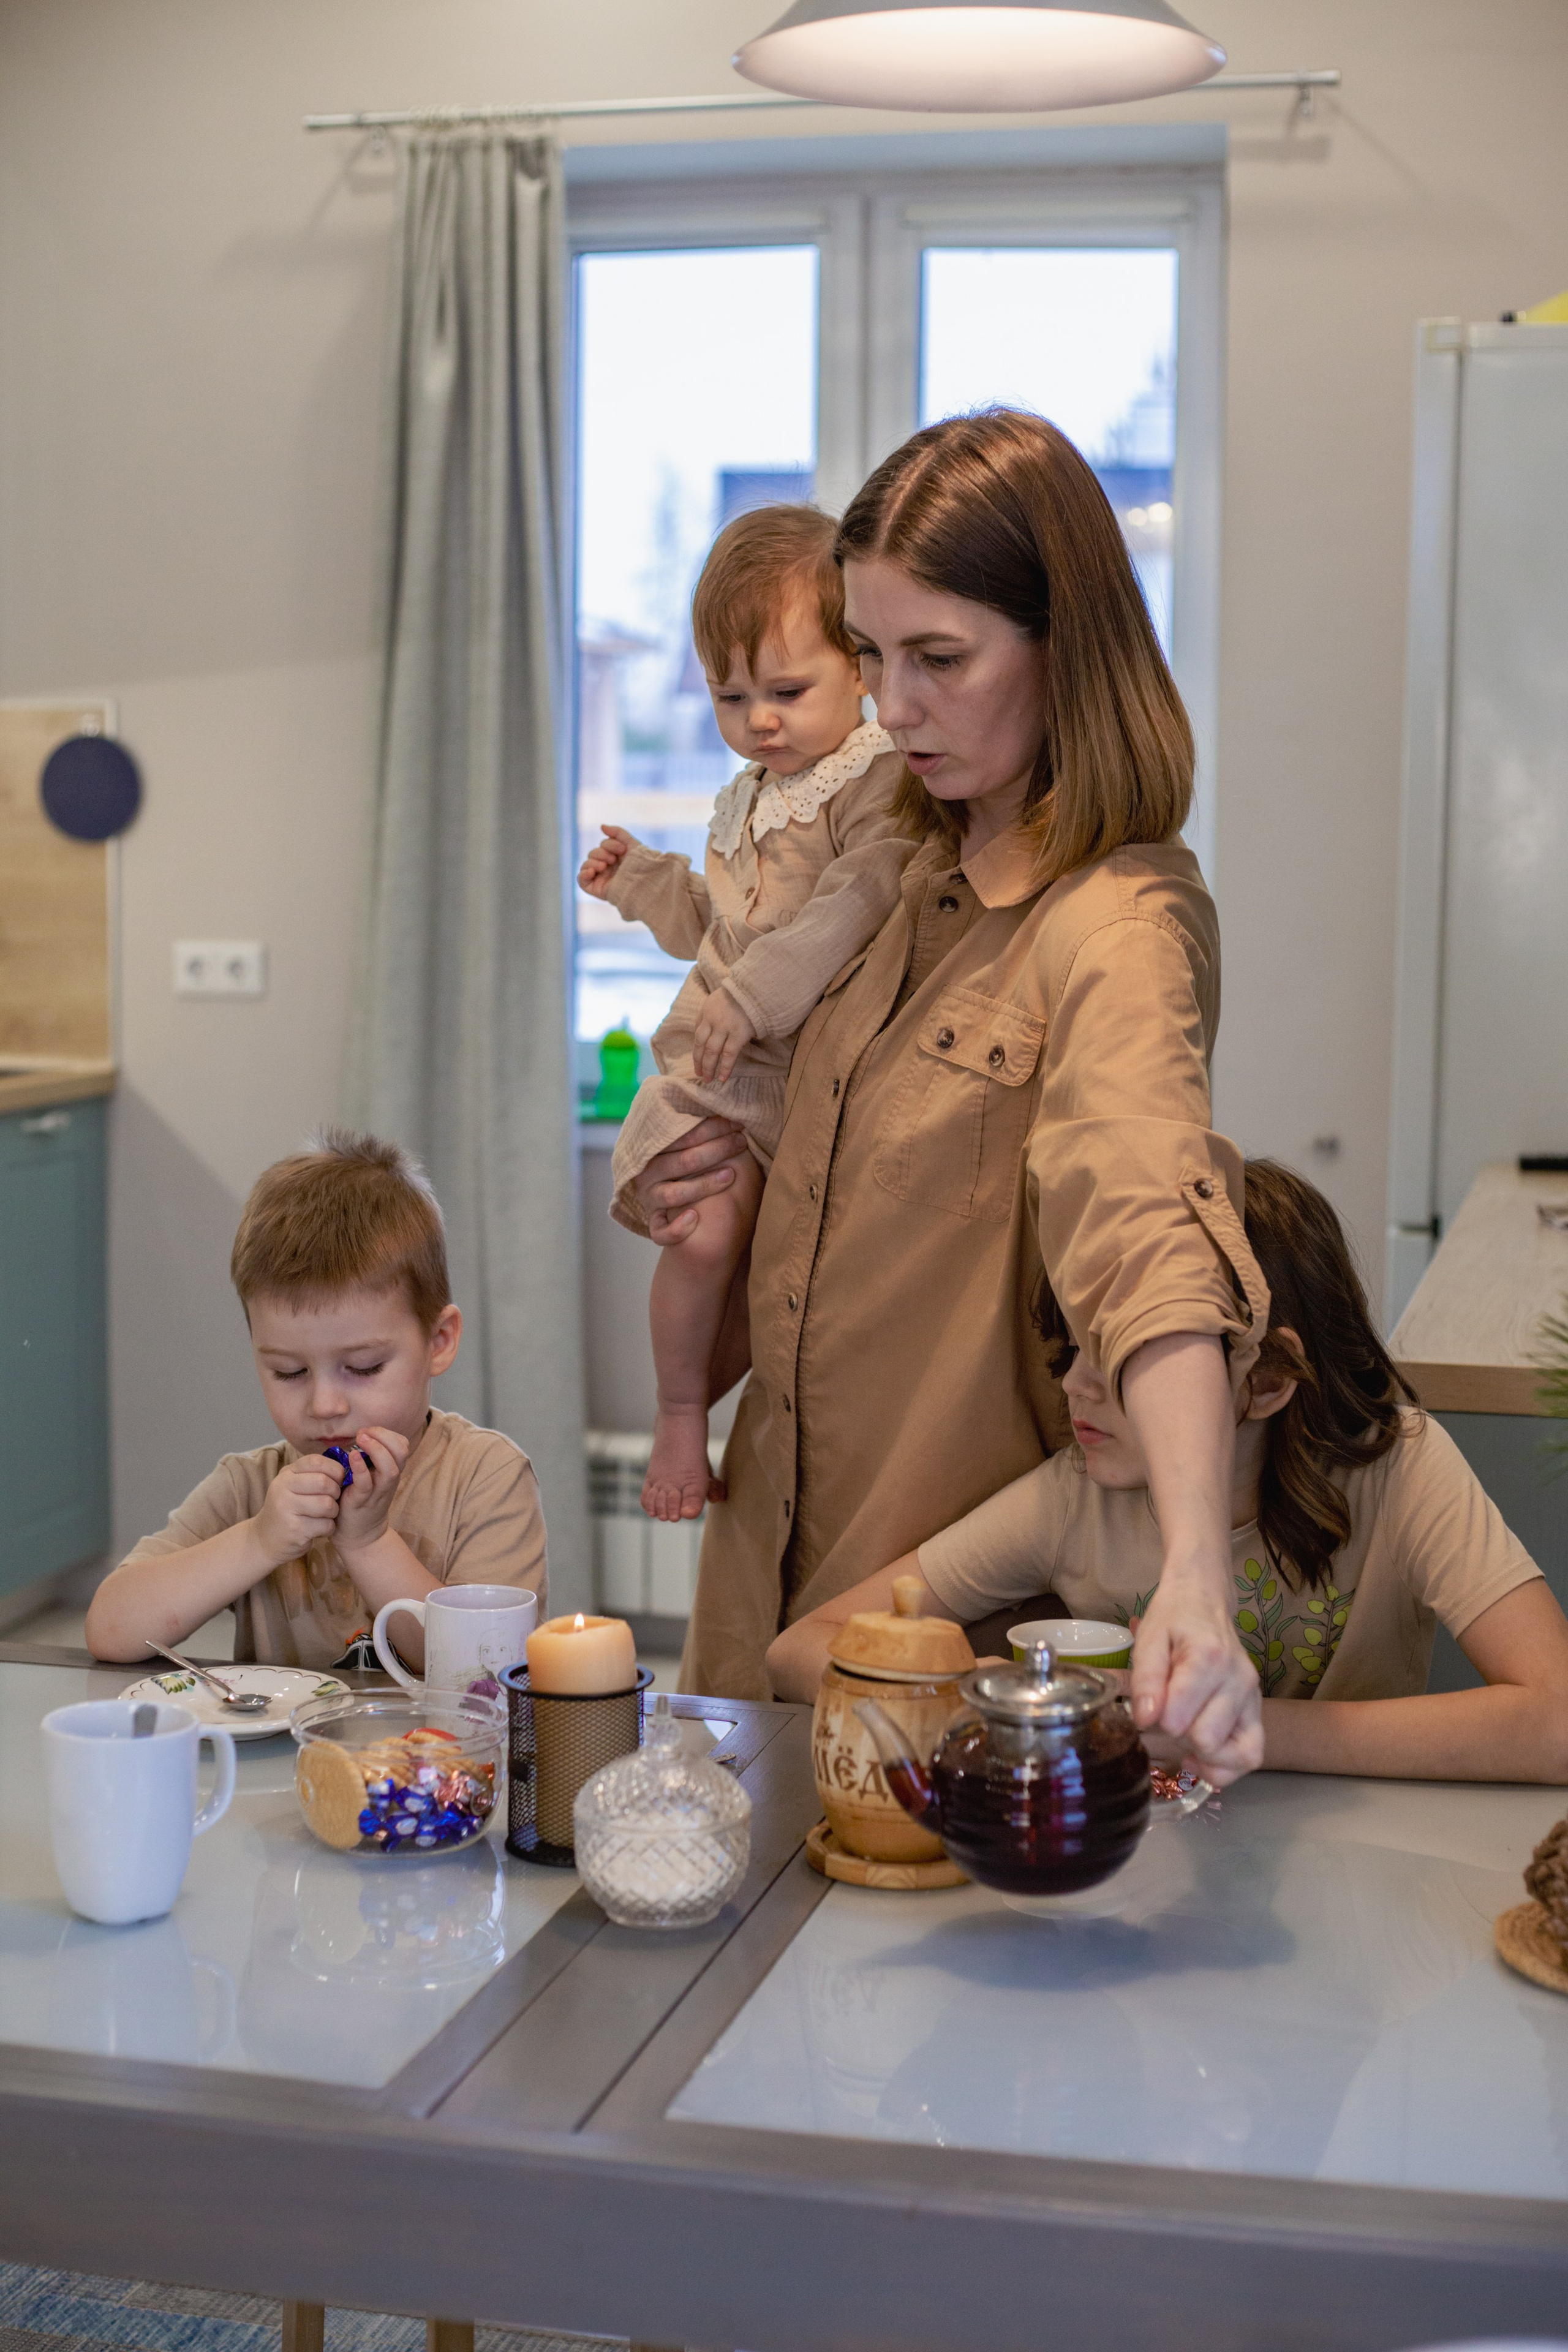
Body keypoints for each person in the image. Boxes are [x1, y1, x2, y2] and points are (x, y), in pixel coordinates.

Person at [633, 410, 1268, 1784]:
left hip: (945, 1641)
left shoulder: (1116, 926)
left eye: (938, 660)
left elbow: (1145, 1225)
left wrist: (1194, 1574)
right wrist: (718, 1205)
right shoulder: (878, 871)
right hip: (761, 1578)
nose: (891, 706)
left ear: (1067, 650)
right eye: (868, 657)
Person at [768, 1160, 1568, 1781]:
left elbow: (1556, 1721)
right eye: (1070, 1349)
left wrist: (1237, 1732)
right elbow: (799, 1649)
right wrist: (958, 1690)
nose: (1072, 1386)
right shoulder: (1075, 1495)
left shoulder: (1401, 1466)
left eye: (1123, 1361)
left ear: (1268, 1379)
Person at [579, 503, 910, 1524]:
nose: (759, 718)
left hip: (794, 1073)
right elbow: (712, 925)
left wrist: (753, 995)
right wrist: (642, 883)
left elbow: (859, 902)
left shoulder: (876, 779)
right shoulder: (746, 797)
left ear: (860, 669)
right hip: (723, 1076)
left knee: (778, 1274)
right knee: (705, 1237)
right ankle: (679, 1418)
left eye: (786, 690)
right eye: (731, 695)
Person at [86, 1129, 546, 1669]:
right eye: (289, 1371)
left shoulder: (486, 1478)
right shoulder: (250, 1487)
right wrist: (259, 1541)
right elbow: (111, 1629)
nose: (324, 1404)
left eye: (363, 1368)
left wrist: (369, 1543)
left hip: (445, 1755)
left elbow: (487, 1673)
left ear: (438, 1343)